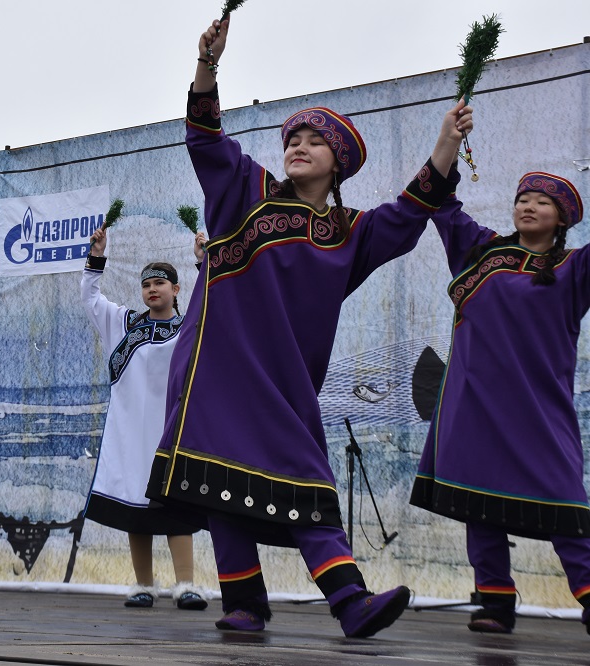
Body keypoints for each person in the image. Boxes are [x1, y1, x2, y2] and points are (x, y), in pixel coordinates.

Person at [144, 16, 471, 637]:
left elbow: (408, 213)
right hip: (217, 368)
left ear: (338, 165)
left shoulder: (350, 235)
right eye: (292, 138)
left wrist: (445, 143)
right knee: (219, 477)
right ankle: (267, 603)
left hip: (286, 380)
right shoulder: (247, 193)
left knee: (301, 471)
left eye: (314, 143)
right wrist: (208, 66)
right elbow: (207, 140)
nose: (297, 146)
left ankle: (340, 603)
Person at [411, 172, 590, 636]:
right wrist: (452, 138)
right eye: (522, 200)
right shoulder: (480, 251)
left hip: (536, 408)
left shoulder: (574, 268)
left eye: (542, 203)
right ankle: (494, 601)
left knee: (563, 502)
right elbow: (443, 205)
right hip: (472, 403)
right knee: (478, 501)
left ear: (562, 219)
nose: (528, 207)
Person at [82, 228, 209, 610]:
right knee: (134, 508)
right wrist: (97, 258)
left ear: (176, 289)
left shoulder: (191, 325)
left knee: (176, 510)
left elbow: (215, 303)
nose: (152, 290)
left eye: (160, 284)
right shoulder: (122, 324)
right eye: (147, 285)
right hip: (131, 434)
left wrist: (204, 263)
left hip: (174, 432)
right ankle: (143, 585)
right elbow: (90, 299)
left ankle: (186, 584)